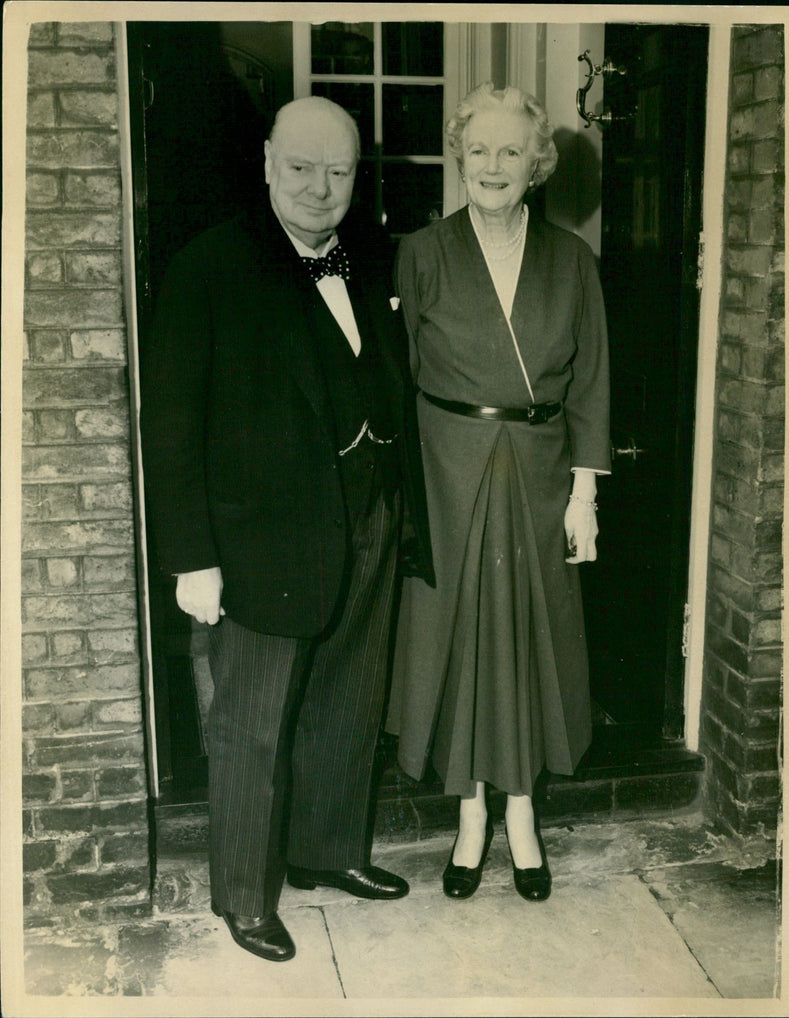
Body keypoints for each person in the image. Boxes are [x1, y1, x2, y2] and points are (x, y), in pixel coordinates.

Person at [140, 96, 434, 962]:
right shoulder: (208, 266)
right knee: (252, 724)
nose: (318, 188)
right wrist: (192, 559)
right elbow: (172, 427)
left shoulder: (369, 254)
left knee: (349, 699)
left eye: (338, 172)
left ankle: (327, 851)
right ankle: (243, 893)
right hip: (260, 541)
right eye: (301, 168)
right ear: (268, 162)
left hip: (369, 517)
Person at [386, 83, 610, 903]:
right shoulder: (421, 252)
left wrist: (583, 496)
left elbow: (591, 385)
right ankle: (470, 813)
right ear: (459, 156)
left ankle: (522, 812)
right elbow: (400, 378)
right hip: (447, 471)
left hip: (542, 473)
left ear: (537, 164)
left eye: (511, 151)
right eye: (477, 149)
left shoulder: (573, 261)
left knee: (527, 642)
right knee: (459, 641)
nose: (492, 165)